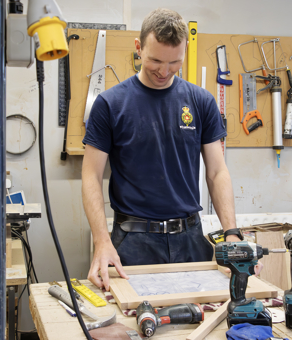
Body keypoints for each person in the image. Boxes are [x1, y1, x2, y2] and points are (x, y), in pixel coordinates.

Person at [82, 8, 246, 291]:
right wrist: (102, 241)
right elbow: (91, 177)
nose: (164, 71)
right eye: (155, 60)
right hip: (134, 241)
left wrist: (231, 233)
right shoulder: (110, 104)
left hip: (191, 237)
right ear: (138, 48)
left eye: (174, 62)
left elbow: (218, 172)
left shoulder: (201, 102)